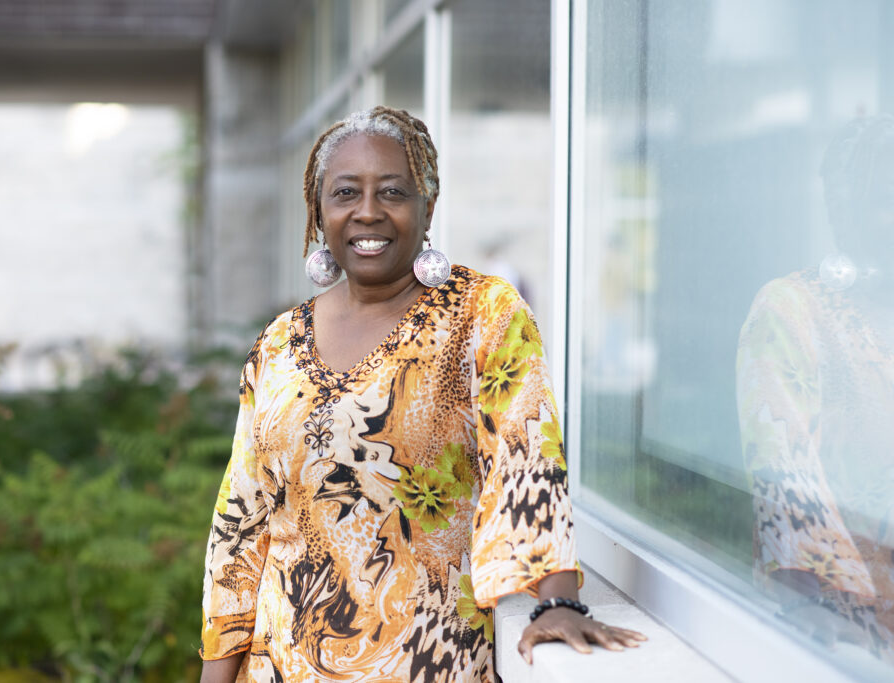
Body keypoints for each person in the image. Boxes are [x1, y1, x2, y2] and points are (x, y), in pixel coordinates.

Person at [199, 106, 644, 683]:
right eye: (344, 193)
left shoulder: (481, 314)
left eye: (392, 192)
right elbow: (241, 518)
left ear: (427, 206)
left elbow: (526, 455)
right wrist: (217, 673)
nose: (367, 212)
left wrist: (557, 598)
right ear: (318, 212)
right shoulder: (279, 343)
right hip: (280, 667)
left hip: (431, 663)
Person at [736, 115, 894, 663]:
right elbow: (783, 472)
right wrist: (815, 608)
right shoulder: (792, 310)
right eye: (883, 198)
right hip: (850, 629)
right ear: (840, 210)